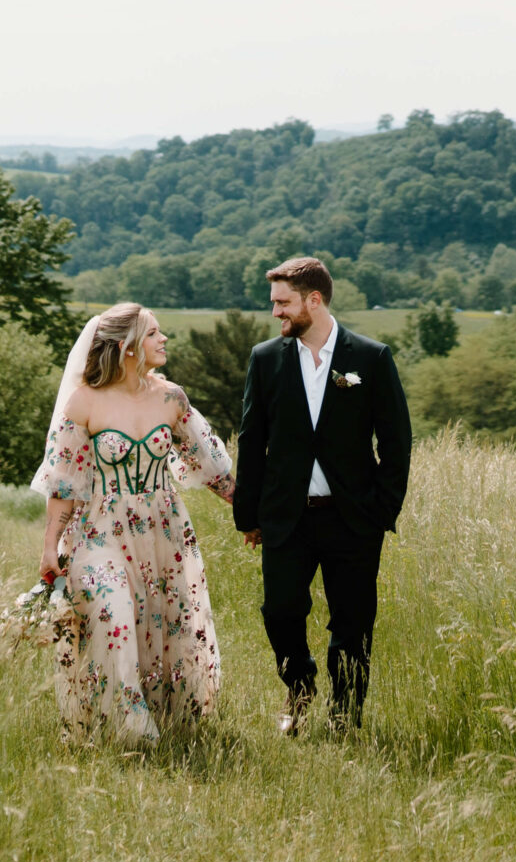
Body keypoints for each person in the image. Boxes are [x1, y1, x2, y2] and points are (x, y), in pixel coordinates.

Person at [33, 301, 237, 746]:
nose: (164, 340)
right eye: (153, 334)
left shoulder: (171, 396)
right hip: (99, 530)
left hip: (163, 530)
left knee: (166, 623)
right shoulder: (84, 400)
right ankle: (130, 728)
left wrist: (251, 517)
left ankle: (171, 715)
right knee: (115, 615)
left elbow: (212, 463)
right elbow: (64, 482)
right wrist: (50, 547)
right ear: (126, 347)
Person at [231, 256, 414, 734]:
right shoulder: (266, 358)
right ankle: (300, 685)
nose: (276, 313)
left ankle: (345, 716)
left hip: (353, 518)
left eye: (283, 303)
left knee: (352, 624)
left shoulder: (370, 358)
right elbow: (251, 441)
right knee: (280, 611)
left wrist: (382, 509)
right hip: (286, 518)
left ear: (314, 300)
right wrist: (249, 516)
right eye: (275, 304)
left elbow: (396, 440)